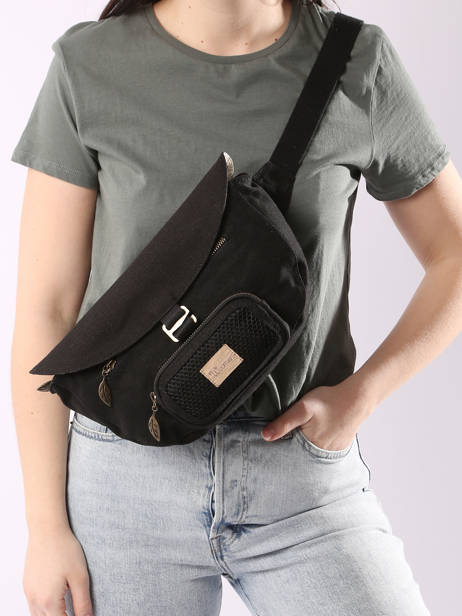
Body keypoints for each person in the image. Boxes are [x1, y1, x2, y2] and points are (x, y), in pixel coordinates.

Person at [10, 0, 462, 614]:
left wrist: (361, 396)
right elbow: (47, 310)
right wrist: (45, 527)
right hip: (122, 485)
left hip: (300, 478)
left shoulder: (358, 61)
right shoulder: (89, 64)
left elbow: (453, 255)